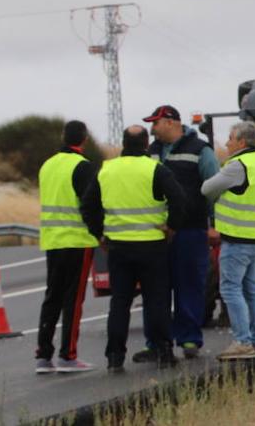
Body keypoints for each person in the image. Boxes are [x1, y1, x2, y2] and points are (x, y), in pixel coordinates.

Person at [80, 125, 186, 373]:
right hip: (152, 245)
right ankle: (163, 350)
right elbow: (179, 199)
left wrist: (99, 234)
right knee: (156, 300)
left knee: (120, 302)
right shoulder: (155, 169)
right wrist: (172, 227)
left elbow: (88, 205)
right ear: (146, 143)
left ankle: (115, 355)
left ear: (123, 143)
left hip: (118, 247)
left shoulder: (106, 170)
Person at [138, 104, 218, 362]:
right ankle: (156, 343)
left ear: (171, 122)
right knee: (155, 290)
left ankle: (189, 339)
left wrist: (214, 224)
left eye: (156, 123)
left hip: (190, 230)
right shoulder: (151, 152)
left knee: (189, 285)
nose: (152, 129)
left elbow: (214, 189)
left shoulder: (200, 151)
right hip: (157, 233)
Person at [201, 121, 255, 360]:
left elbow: (207, 188)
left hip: (236, 237)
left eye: (230, 138)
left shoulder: (237, 165)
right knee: (251, 289)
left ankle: (242, 341)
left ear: (242, 142)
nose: (226, 143)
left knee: (230, 289)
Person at [34, 120, 100, 374]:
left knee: (52, 297)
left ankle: (43, 355)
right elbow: (91, 205)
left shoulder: (47, 165)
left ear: (63, 137)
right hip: (77, 240)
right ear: (84, 139)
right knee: (73, 300)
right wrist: (100, 234)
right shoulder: (82, 167)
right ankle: (68, 356)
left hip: (52, 240)